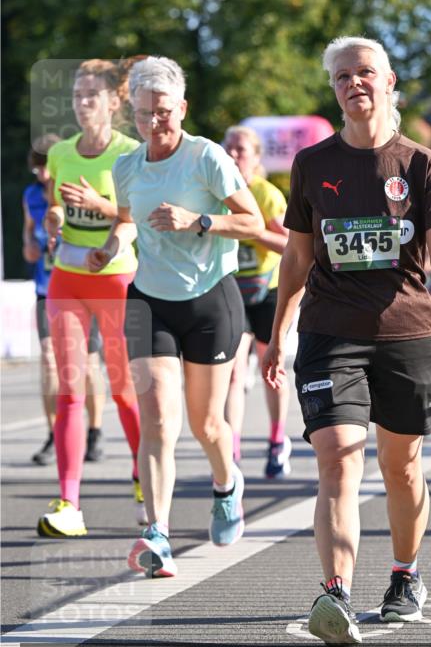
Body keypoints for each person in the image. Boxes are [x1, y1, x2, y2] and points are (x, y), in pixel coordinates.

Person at [262, 36, 431, 646]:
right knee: (337, 457)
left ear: (389, 81)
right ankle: (336, 594)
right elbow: (297, 258)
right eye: (343, 76)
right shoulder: (312, 165)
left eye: (366, 73)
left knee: (400, 465)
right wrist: (279, 333)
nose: (355, 83)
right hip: (330, 333)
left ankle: (404, 574)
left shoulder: (420, 164)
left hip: (406, 330)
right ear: (334, 90)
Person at [90, 56, 264, 579]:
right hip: (148, 300)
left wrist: (199, 220)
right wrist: (109, 246)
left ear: (182, 108)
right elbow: (126, 221)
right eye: (144, 115)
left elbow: (253, 222)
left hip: (210, 299)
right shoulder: (126, 167)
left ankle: (226, 482)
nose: (154, 124)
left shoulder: (206, 158)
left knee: (207, 424)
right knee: (159, 419)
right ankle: (157, 532)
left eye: (163, 113)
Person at [40, 59, 144, 537]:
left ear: (114, 101)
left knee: (124, 390)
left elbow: (134, 219)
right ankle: (69, 504)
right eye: (77, 96)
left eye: (91, 96)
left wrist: (105, 233)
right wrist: (56, 221)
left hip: (116, 278)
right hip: (66, 279)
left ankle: (146, 481)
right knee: (69, 390)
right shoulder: (60, 151)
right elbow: (57, 206)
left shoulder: (129, 153)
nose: (82, 104)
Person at [23, 135, 107, 466]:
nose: (43, 176)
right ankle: (53, 433)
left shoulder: (77, 193)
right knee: (48, 359)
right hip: (47, 289)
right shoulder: (30, 196)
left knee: (86, 364)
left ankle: (95, 430)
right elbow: (28, 233)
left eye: (47, 168)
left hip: (83, 288)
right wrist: (29, 245)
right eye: (38, 169)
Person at [223, 126, 291, 478]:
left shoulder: (267, 196)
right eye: (229, 148)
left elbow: (291, 247)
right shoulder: (215, 192)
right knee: (233, 373)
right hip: (231, 291)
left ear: (256, 158)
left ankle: (278, 441)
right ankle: (231, 453)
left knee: (271, 370)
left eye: (241, 150)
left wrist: (254, 233)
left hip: (268, 289)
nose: (234, 155)